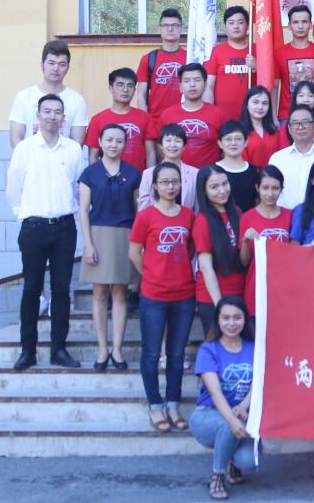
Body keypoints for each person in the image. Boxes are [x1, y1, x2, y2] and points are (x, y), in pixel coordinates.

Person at [5, 94, 85, 371]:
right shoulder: (24, 149)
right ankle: (27, 350)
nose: (52, 116)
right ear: (38, 116)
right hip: (33, 228)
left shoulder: (73, 149)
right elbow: (14, 188)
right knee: (31, 289)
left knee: (62, 290)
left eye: (57, 112)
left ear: (64, 118)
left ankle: (58, 349)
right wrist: (25, 214)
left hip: (64, 228)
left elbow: (78, 188)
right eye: (47, 111)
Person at [128, 162, 196, 432]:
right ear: (155, 186)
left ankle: (173, 404)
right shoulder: (146, 216)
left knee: (177, 353)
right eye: (165, 182)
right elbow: (134, 252)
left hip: (184, 294)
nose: (170, 187)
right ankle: (155, 405)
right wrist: (151, 274)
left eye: (175, 182)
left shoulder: (188, 215)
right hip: (154, 295)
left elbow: (190, 248)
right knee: (152, 352)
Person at [78, 123, 141, 372]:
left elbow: (138, 211)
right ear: (100, 142)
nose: (114, 145)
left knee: (120, 293)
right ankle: (102, 349)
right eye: (109, 140)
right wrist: (87, 244)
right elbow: (83, 210)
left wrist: (138, 244)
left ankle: (117, 349)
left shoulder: (133, 173)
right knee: (99, 293)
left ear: (125, 144)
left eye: (119, 141)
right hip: (98, 234)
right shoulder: (89, 173)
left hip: (125, 234)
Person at [189, 295, 259, 501]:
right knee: (228, 424)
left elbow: (258, 383)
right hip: (207, 415)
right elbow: (215, 393)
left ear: (245, 319)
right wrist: (232, 420)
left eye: (237, 317)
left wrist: (244, 406)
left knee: (249, 461)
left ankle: (231, 460)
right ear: (218, 320)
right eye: (226, 318)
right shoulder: (208, 349)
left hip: (242, 414)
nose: (231, 323)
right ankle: (217, 474)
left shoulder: (254, 347)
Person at [193, 167, 247, 335]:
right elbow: (206, 266)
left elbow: (243, 258)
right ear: (204, 191)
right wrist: (220, 305)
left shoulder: (237, 213)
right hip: (213, 297)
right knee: (216, 345)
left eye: (225, 184)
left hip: (239, 293)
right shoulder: (202, 221)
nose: (222, 190)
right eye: (214, 187)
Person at [8, 40, 88, 147]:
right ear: (42, 65)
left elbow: (77, 144)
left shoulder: (77, 101)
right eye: (51, 63)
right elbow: (16, 139)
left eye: (62, 64)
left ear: (67, 68)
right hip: (30, 157)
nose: (56, 68)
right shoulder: (24, 97)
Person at [266, 105, 314, 209]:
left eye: (305, 122)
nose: (300, 127)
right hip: (285, 217)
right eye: (295, 123)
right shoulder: (277, 159)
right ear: (289, 128)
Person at [239, 165, 292, 320]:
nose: (270, 193)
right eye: (265, 188)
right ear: (257, 188)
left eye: (275, 188)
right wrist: (245, 240)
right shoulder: (247, 218)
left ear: (282, 189)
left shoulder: (291, 215)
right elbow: (244, 262)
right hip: (256, 289)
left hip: (285, 289)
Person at [149, 63, 223, 169]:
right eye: (187, 81)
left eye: (197, 80)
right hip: (176, 175)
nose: (192, 84)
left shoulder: (218, 114)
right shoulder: (167, 115)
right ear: (180, 87)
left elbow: (224, 148)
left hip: (209, 175)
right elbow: (159, 147)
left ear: (205, 85)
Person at [85, 68, 153, 171]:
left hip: (138, 178)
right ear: (110, 89)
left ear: (134, 90)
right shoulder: (97, 119)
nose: (125, 89)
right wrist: (96, 178)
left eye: (130, 86)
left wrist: (150, 178)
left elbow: (150, 153)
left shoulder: (145, 118)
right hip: (107, 178)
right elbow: (93, 156)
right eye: (120, 85)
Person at [137, 8, 188, 125]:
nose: (170, 29)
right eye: (166, 25)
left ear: (181, 29)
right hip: (155, 121)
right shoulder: (148, 59)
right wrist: (145, 121)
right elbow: (141, 94)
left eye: (174, 25)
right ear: (160, 29)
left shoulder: (190, 58)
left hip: (183, 120)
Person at [204, 6, 253, 123]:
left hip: (252, 116)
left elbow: (269, 84)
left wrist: (257, 67)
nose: (236, 26)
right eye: (231, 23)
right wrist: (208, 113)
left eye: (240, 22)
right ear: (225, 27)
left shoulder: (256, 50)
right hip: (223, 117)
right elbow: (209, 86)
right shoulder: (217, 51)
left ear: (247, 26)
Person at [138, 123, 200, 213]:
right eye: (168, 140)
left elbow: (197, 209)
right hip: (156, 221)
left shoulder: (195, 174)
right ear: (161, 145)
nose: (173, 145)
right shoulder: (148, 174)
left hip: (186, 221)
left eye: (178, 141)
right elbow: (143, 209)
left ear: (184, 147)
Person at [274, 4, 314, 118]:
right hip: (287, 115)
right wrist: (273, 116)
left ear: (310, 25)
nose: (300, 26)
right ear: (289, 26)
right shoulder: (279, 53)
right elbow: (274, 87)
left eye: (304, 22)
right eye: (296, 22)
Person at [213, 121, 258, 212]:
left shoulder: (254, 171)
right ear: (220, 143)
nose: (233, 143)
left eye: (238, 139)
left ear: (246, 142)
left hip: (248, 220)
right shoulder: (212, 171)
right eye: (228, 139)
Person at [275, 80, 314, 148]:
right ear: (295, 99)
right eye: (301, 95)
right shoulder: (285, 129)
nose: (306, 100)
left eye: (310, 96)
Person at [238, 86, 279, 169]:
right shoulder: (239, 131)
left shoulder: (275, 131)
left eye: (265, 103)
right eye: (255, 102)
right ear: (247, 104)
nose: (260, 107)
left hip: (273, 175)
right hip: (248, 175)